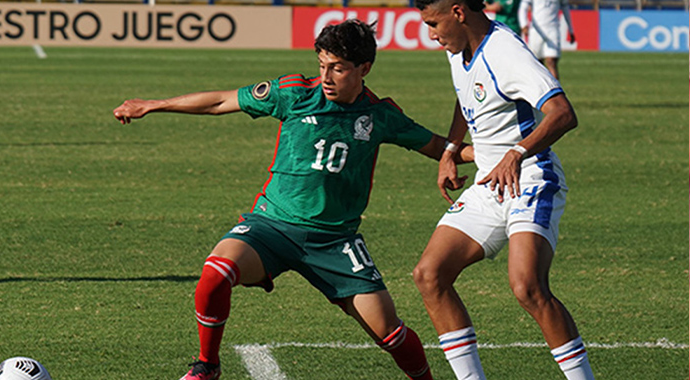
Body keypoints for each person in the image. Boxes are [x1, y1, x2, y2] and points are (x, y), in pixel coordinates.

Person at [113, 19, 473, 380]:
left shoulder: (380, 116)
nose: (327, 76)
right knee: (215, 274)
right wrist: (154, 104)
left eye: (338, 68)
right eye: (322, 65)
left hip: (336, 241)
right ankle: (207, 365)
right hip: (271, 227)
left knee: (390, 333)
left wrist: (506, 152)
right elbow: (221, 101)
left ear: (364, 68)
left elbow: (441, 148)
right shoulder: (294, 92)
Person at [412, 0, 595, 380]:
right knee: (430, 274)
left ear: (458, 12)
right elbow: (466, 98)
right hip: (489, 183)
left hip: (531, 177)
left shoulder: (506, 51)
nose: (431, 34)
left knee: (527, 286)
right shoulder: (459, 49)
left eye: (433, 22)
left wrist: (516, 152)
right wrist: (450, 150)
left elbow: (563, 112)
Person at [517, 0, 576, 79]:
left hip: (552, 30)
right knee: (537, 64)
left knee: (551, 62)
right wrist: (523, 24)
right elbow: (523, 7)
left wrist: (570, 29)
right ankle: (539, 89)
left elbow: (565, 8)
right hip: (536, 31)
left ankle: (556, 89)